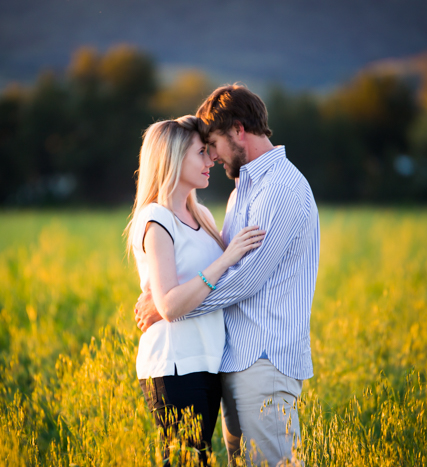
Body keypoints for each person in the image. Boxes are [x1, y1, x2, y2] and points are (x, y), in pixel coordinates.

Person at [134, 85, 320, 466]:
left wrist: (172, 306)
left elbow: (245, 277)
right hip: (230, 362)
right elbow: (225, 268)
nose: (212, 156)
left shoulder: (279, 189)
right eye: (202, 150)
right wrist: (174, 303)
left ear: (238, 130)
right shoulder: (242, 191)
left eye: (212, 144)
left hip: (264, 360)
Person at [125, 115, 266, 465]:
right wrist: (225, 259)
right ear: (173, 158)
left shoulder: (201, 214)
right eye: (201, 153)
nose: (211, 161)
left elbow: (193, 292)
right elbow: (171, 307)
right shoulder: (156, 220)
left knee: (199, 459)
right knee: (189, 460)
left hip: (207, 361)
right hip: (174, 365)